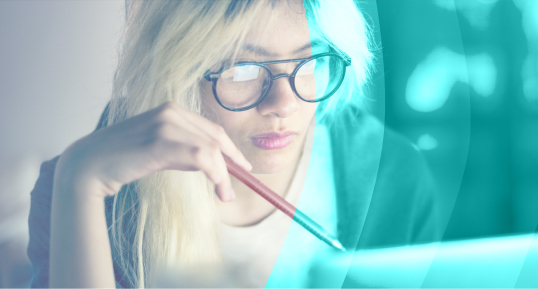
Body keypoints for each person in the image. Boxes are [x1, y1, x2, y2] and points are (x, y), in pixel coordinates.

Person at [27, 0, 442, 287]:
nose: (283, 104)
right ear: (178, 70)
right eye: (242, 70)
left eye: (312, 60)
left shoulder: (393, 175)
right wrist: (79, 181)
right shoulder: (79, 188)